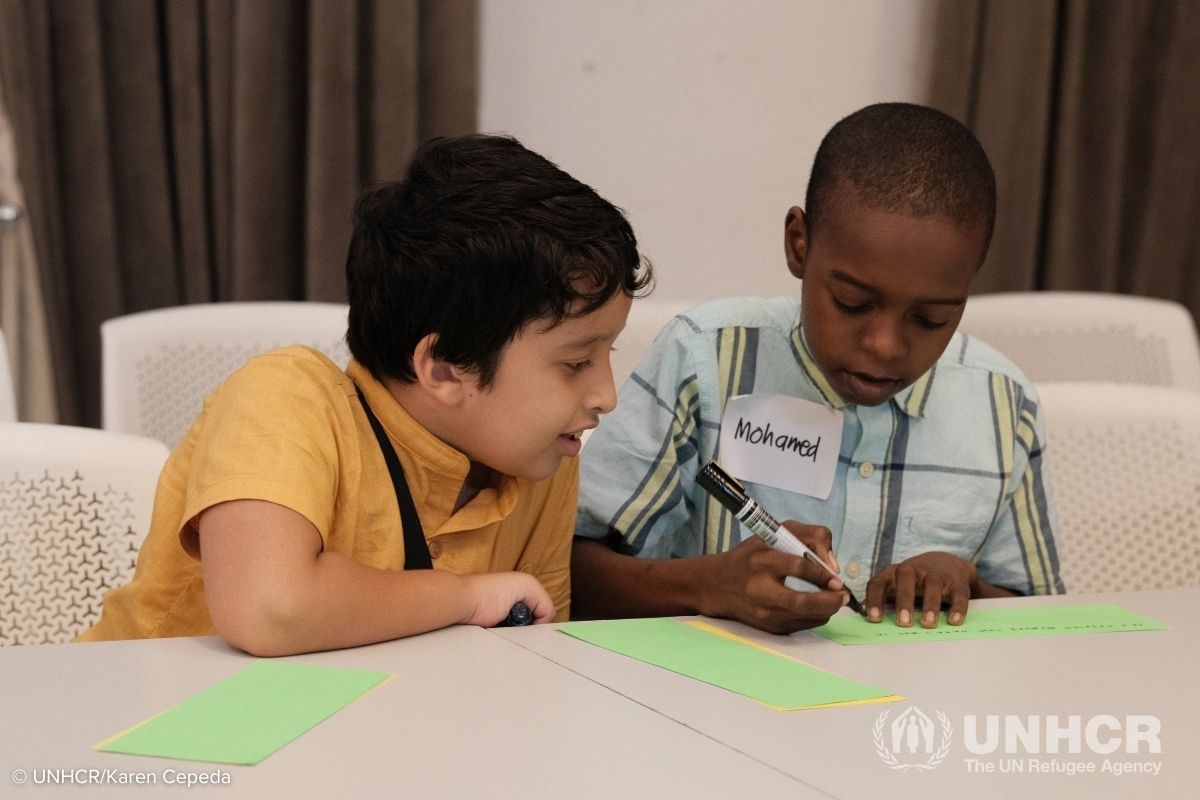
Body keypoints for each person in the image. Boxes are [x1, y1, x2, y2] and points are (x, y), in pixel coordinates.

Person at [79, 134, 651, 655]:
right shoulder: (285, 397)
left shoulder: (541, 457)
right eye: (576, 362)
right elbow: (271, 609)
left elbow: (533, 659)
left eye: (608, 356)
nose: (605, 395)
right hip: (141, 736)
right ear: (445, 368)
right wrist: (468, 596)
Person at [573, 102, 1063, 635]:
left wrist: (962, 579)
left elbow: (1040, 618)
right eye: (852, 303)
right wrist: (708, 586)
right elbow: (566, 568)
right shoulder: (706, 357)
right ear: (799, 244)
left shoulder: (1002, 405)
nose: (884, 345)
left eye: (931, 318)